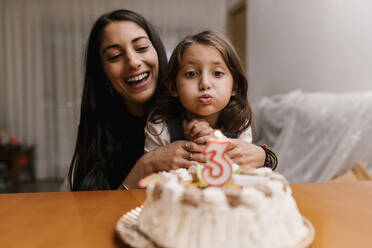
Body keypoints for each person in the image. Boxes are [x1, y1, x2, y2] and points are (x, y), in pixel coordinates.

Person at [145, 31, 277, 170]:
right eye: (191, 74)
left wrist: (217, 141)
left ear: (235, 86)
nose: (205, 83)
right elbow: (150, 173)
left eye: (217, 73)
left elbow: (242, 170)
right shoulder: (160, 126)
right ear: (173, 87)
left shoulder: (239, 123)